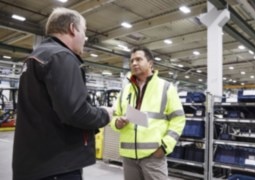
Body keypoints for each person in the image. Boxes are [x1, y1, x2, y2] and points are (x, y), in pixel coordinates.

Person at [12, 7, 113, 180]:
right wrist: (105, 114)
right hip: (56, 166)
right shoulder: (61, 57)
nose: (86, 38)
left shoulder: (36, 56)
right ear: (73, 29)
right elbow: (77, 112)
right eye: (84, 31)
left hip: (33, 164)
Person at [110, 47, 186, 180]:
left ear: (150, 63)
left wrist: (164, 146)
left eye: (138, 59)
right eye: (132, 60)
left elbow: (178, 120)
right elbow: (115, 115)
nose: (134, 63)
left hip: (153, 156)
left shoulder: (166, 87)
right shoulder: (125, 90)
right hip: (129, 157)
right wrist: (117, 122)